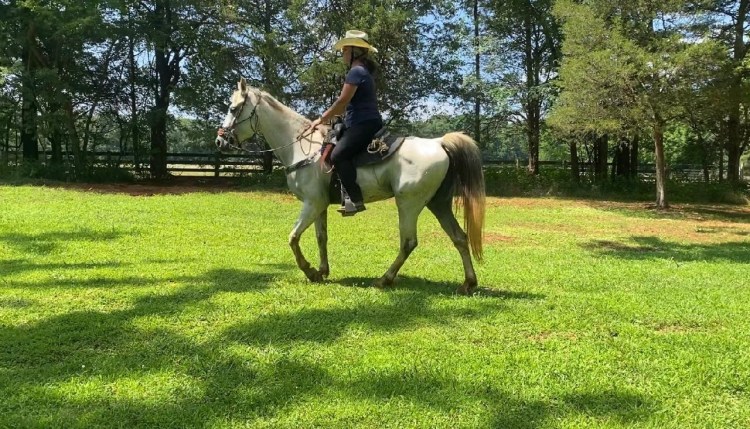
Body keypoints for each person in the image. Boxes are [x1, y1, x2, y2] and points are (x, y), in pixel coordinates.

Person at [307, 30, 383, 216]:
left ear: (355, 52)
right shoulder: (362, 72)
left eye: (345, 50)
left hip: (363, 123)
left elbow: (342, 102)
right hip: (364, 122)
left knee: (338, 155)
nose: (343, 54)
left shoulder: (356, 72)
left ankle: (355, 199)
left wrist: (321, 119)